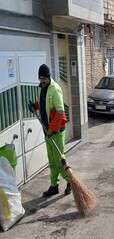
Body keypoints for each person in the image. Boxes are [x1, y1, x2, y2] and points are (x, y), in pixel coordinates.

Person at [30, 64, 70, 197]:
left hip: (56, 131)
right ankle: (54, 186)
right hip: (47, 130)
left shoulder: (55, 89)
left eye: (43, 78)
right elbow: (44, 103)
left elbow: (60, 112)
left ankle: (70, 181)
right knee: (51, 161)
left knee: (59, 160)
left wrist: (52, 130)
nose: (41, 81)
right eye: (40, 79)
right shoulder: (43, 87)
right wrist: (35, 105)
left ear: (48, 77)